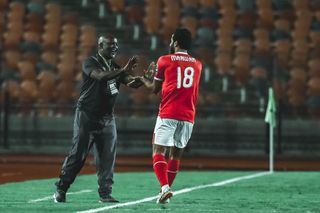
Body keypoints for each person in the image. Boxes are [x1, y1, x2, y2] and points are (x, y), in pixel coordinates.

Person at [53, 34, 143, 203]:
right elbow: (100, 76)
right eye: (110, 45)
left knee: (107, 158)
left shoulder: (114, 66)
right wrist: (124, 70)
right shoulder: (90, 62)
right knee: (78, 155)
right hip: (87, 115)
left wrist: (143, 79)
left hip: (107, 118)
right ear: (100, 46)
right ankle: (61, 188)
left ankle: (105, 193)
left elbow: (131, 82)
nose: (114, 48)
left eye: (116, 45)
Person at [137, 28, 202, 204]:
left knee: (158, 151)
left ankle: (165, 188)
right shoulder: (197, 64)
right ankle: (164, 192)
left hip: (168, 112)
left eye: (172, 40)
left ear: (176, 42)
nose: (170, 42)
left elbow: (154, 89)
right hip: (188, 116)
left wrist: (143, 79)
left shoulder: (164, 60)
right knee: (175, 156)